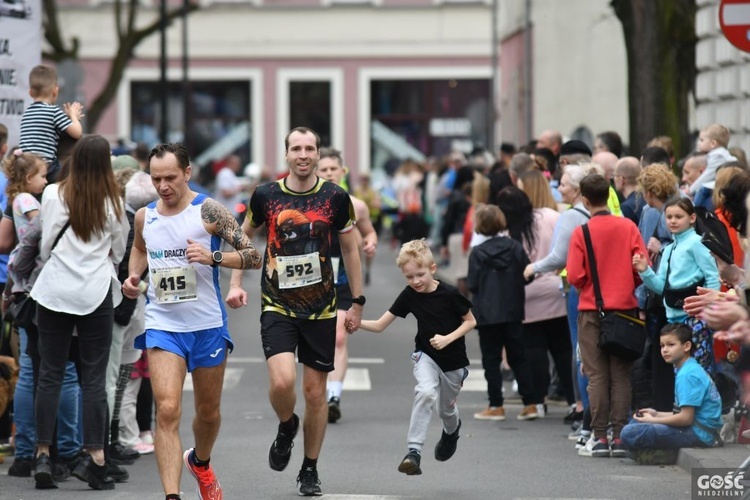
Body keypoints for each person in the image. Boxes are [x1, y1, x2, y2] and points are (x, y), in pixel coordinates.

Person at [225, 127, 363, 496]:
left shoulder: (335, 197)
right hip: (277, 303)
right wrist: (236, 283)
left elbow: (351, 249)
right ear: (286, 154)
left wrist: (358, 302)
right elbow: (244, 236)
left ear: (318, 154)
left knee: (316, 395)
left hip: (321, 308)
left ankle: (309, 469)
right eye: (296, 148)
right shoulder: (266, 195)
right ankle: (287, 424)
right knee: (283, 382)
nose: (303, 154)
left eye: (309, 148)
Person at [121, 142, 262, 500]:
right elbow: (139, 248)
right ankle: (172, 495)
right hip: (163, 323)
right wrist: (134, 277)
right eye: (156, 179)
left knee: (209, 413)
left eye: (170, 177)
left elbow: (253, 256)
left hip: (207, 325)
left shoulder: (209, 212)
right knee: (167, 408)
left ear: (187, 173)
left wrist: (214, 257)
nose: (163, 185)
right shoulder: (145, 216)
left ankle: (200, 461)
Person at [30, 135, 129, 490]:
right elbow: (118, 251)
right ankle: (96, 458)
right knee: (93, 378)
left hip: (54, 289)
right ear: (106, 162)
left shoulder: (53, 193)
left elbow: (44, 245)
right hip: (94, 292)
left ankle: (42, 453)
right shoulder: (115, 201)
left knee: (49, 374)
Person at [355, 239, 475, 475]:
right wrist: (355, 323)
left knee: (446, 411)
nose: (415, 281)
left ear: (432, 268)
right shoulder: (409, 295)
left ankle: (451, 433)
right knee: (425, 391)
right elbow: (380, 325)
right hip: (425, 355)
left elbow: (471, 321)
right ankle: (413, 452)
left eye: (420, 274)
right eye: (409, 277)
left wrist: (447, 338)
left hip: (453, 361)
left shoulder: (450, 294)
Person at [566, 173, 647, 458]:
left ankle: (599, 437)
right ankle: (620, 435)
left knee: (597, 375)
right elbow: (641, 267)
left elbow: (575, 275)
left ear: (585, 200)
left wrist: (590, 287)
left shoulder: (582, 232)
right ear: (609, 195)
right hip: (625, 309)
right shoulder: (628, 227)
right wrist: (627, 284)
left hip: (591, 310)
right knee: (621, 375)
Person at [316, 147, 378, 423]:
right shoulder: (309, 203)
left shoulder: (357, 205)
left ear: (343, 172)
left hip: (343, 279)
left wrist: (371, 241)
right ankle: (317, 391)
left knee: (339, 337)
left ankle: (334, 396)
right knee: (317, 340)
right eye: (324, 169)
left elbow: (369, 230)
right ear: (317, 172)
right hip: (311, 281)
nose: (329, 173)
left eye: (333, 169)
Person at [633, 197, 721, 374]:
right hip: (673, 319)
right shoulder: (669, 249)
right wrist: (645, 271)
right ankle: (686, 402)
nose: (672, 221)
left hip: (695, 318)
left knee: (698, 370)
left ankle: (700, 403)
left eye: (678, 216)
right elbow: (661, 287)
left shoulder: (697, 243)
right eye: (669, 216)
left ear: (692, 218)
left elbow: (712, 277)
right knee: (681, 371)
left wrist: (710, 309)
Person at [467, 203, 537, 420]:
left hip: (487, 314)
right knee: (518, 357)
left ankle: (496, 404)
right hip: (513, 310)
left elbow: (472, 284)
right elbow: (529, 274)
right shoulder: (514, 247)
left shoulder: (478, 253)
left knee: (491, 360)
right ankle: (530, 403)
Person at [621, 323, 722, 452]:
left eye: (671, 345)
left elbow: (686, 418)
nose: (664, 350)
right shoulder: (688, 368)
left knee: (629, 433)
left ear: (686, 346)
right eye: (662, 345)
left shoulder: (687, 375)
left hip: (699, 433)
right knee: (635, 423)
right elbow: (684, 414)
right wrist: (656, 414)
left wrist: (654, 421)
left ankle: (663, 454)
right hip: (698, 428)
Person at [18, 64, 83, 183]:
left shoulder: (27, 112)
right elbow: (77, 133)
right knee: (65, 175)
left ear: (30, 92)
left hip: (26, 164)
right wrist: (73, 115)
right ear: (55, 91)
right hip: (46, 165)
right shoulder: (54, 111)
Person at [689, 124, 737, 197]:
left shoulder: (718, 156)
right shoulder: (719, 155)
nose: (698, 143)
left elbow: (706, 177)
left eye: (702, 140)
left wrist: (690, 190)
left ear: (713, 143)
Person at [614, 156, 644, 225]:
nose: (614, 179)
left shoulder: (626, 208)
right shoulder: (648, 198)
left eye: (615, 175)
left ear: (622, 179)